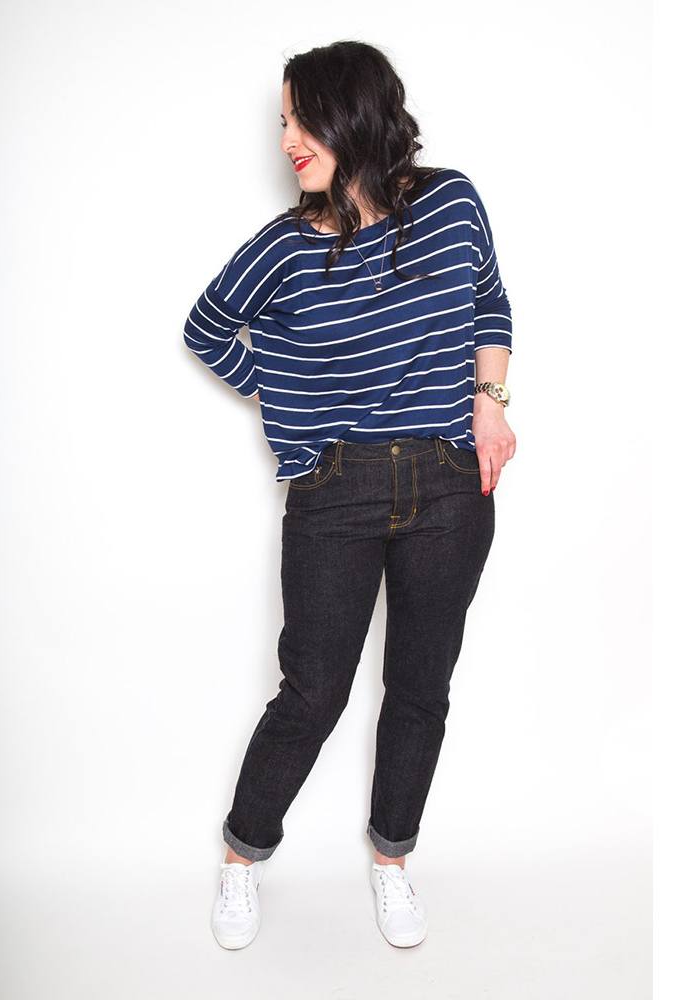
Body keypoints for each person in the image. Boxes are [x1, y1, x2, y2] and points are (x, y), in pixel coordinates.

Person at [183, 41, 516, 950]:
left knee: (420, 687)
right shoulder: (285, 247)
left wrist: (490, 404)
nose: (287, 139)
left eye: (300, 119)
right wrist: (286, 393)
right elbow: (206, 328)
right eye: (281, 122)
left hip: (451, 482)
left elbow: (489, 302)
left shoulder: (451, 202)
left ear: (352, 114)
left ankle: (392, 862)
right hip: (335, 491)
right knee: (313, 692)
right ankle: (243, 855)